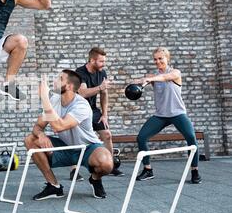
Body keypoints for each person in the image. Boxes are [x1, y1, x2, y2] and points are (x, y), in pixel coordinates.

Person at [24, 70, 113, 200]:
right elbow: (37, 127)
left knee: (106, 164)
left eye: (60, 79)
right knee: (30, 140)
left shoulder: (81, 105)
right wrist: (41, 134)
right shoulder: (54, 100)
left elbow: (59, 126)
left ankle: (95, 179)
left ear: (70, 86)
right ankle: (54, 186)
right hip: (66, 147)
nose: (55, 81)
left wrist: (44, 99)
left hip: (87, 147)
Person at [135, 47, 202, 184]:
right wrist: (133, 82)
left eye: (161, 58)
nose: (158, 61)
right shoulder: (153, 77)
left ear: (167, 58)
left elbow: (165, 77)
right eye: (155, 59)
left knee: (191, 138)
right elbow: (140, 80)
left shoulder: (175, 73)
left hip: (177, 113)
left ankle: (194, 171)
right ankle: (148, 170)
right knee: (141, 137)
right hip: (160, 115)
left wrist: (150, 78)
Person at [75, 47, 124, 178]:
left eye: (104, 61)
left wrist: (104, 115)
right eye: (101, 61)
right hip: (77, 110)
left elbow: (104, 94)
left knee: (107, 134)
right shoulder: (79, 73)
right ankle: (74, 170)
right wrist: (100, 87)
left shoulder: (102, 73)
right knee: (76, 140)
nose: (104, 64)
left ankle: (110, 165)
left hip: (93, 110)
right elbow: (83, 93)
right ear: (92, 60)